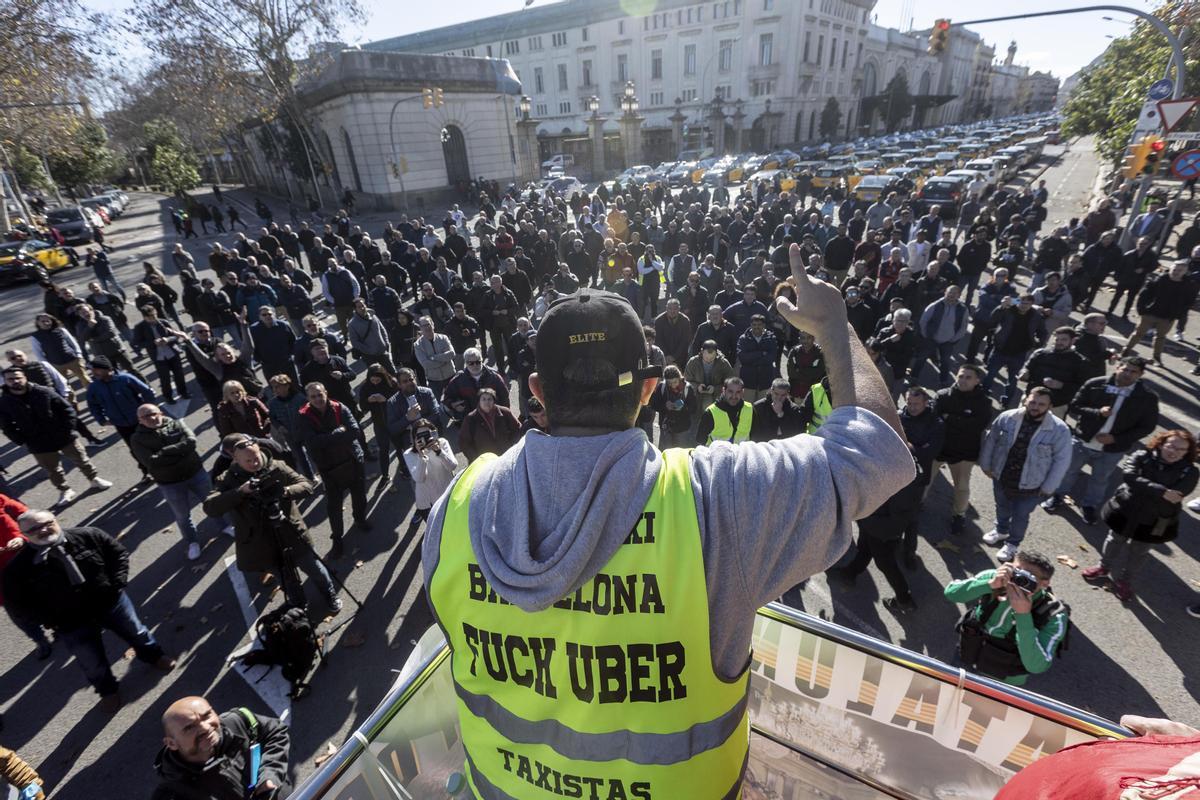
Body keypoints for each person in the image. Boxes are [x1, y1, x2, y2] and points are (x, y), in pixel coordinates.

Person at [421, 246, 910, 798]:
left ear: (536, 392)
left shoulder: (454, 510)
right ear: (649, 390)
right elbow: (875, 455)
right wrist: (834, 326)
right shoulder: (717, 497)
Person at [2, 509, 176, 712]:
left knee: (137, 632)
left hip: (111, 603)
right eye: (34, 529)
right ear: (24, 534)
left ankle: (154, 656)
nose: (43, 530)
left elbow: (117, 554)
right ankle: (108, 691)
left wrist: (116, 585)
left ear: (55, 520)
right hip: (71, 622)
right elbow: (18, 605)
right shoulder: (18, 569)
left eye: (47, 523)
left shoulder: (88, 535)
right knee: (91, 661)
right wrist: (50, 620)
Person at [203, 435, 340, 610]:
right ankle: (299, 605)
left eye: (256, 458)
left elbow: (306, 485)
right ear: (235, 460)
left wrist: (284, 491)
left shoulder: (277, 466)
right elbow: (210, 507)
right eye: (248, 461)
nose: (254, 463)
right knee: (286, 579)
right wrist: (240, 491)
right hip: (263, 542)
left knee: (314, 569)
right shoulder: (227, 479)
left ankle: (328, 593)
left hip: (291, 532)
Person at [1080, 430, 1199, 601]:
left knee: (1140, 551)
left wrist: (1144, 486)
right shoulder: (1142, 455)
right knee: (1115, 539)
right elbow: (1129, 476)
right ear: (1161, 443)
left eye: (1181, 449)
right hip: (1127, 510)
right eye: (1171, 446)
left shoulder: (1190, 471)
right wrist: (1162, 491)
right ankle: (1103, 566)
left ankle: (1125, 581)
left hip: (1156, 519)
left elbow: (1179, 493)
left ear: (1188, 452)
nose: (1174, 452)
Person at [1044, 356, 1160, 524]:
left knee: (1100, 479)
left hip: (1113, 449)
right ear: (1117, 367)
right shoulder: (1095, 384)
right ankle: (1057, 497)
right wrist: (1097, 412)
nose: (1127, 374)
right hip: (1082, 441)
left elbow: (1146, 427)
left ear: (1140, 374)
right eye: (1125, 369)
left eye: (1133, 372)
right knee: (1068, 471)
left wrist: (1116, 438)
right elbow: (1075, 407)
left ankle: (1089, 506)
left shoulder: (1147, 397)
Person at [978, 387, 1073, 562]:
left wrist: (1049, 486)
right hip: (1002, 476)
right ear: (1025, 400)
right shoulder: (1008, 417)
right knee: (1002, 506)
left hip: (1032, 484)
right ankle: (1001, 530)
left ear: (1050, 406)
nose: (1035, 406)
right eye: (1033, 402)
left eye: (1041, 404)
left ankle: (1012, 543)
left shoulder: (1060, 430)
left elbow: (1062, 460)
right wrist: (986, 464)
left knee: (1021, 515)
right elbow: (992, 440)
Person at [946, 551, 1069, 685]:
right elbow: (951, 594)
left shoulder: (1055, 615)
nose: (1017, 581)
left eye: (1028, 578)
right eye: (1016, 573)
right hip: (966, 655)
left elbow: (1036, 666)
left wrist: (1023, 616)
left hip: (1003, 679)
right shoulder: (995, 578)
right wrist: (989, 585)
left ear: (1044, 583)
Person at [131, 403, 232, 560]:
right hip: (170, 483)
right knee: (183, 515)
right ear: (140, 420)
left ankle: (224, 526)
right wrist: (180, 451)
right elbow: (151, 462)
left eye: (153, 413)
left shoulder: (176, 423)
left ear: (160, 412)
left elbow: (191, 442)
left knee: (211, 502)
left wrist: (164, 452)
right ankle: (192, 542)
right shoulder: (137, 439)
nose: (152, 418)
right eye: (146, 416)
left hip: (195, 473)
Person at [0, 366, 112, 506]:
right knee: (52, 470)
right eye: (10, 379)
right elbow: (6, 426)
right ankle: (65, 490)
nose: (15, 381)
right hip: (38, 443)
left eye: (18, 377)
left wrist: (67, 429)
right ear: (5, 382)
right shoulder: (4, 402)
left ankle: (94, 479)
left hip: (63, 436)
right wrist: (22, 440)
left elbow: (66, 410)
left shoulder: (43, 391)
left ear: (25, 378)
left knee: (81, 459)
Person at [153, 696, 291, 800]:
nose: (206, 728)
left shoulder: (239, 721)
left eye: (206, 715)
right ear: (171, 743)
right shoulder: (172, 793)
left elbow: (275, 731)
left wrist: (270, 775)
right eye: (189, 727)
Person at [296, 382, 369, 558]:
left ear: (326, 393)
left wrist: (326, 439)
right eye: (313, 396)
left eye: (320, 395)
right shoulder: (303, 416)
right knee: (334, 506)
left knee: (359, 495)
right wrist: (338, 434)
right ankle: (337, 538)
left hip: (352, 460)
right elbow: (311, 442)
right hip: (329, 468)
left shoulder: (339, 407)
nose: (318, 399)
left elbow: (354, 432)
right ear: (308, 399)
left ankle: (359, 519)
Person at [931, 364, 993, 535]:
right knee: (924, 481)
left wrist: (950, 418)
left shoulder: (984, 402)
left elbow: (977, 426)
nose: (963, 380)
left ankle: (959, 515)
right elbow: (934, 420)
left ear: (977, 381)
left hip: (964, 452)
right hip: (940, 448)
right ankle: (915, 505)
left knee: (962, 487)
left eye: (968, 377)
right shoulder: (942, 396)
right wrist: (962, 421)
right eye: (960, 376)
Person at [898, 385, 945, 568]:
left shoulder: (936, 424)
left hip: (917, 478)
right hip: (896, 475)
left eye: (916, 403)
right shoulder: (900, 417)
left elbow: (930, 452)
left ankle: (909, 552)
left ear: (926, 402)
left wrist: (907, 447)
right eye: (909, 402)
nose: (912, 407)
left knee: (911, 518)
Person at [1121, 260, 1192, 363]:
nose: (1176, 272)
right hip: (1150, 313)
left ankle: (1156, 357)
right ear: (1171, 268)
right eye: (1175, 269)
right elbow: (1144, 294)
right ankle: (1126, 350)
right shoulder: (1159, 279)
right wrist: (1142, 309)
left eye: (1180, 270)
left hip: (1168, 317)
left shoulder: (1187, 285)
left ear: (1185, 272)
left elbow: (1188, 302)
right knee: (1138, 333)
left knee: (1160, 337)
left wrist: (1178, 314)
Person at [1020, 327, 1089, 418]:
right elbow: (1026, 369)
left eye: (1064, 340)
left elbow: (1082, 388)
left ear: (1073, 341)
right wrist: (1024, 374)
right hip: (1031, 400)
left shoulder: (1080, 361)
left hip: (1057, 406)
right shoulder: (1040, 354)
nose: (1059, 342)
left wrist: (1062, 385)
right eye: (1057, 339)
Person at [132, 306, 191, 404]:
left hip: (172, 353)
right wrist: (152, 343)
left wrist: (167, 340)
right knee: (165, 378)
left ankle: (183, 392)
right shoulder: (140, 327)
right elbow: (136, 343)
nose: (154, 318)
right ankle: (168, 397)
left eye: (155, 314)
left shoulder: (163, 322)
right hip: (158, 357)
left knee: (179, 375)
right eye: (151, 316)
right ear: (145, 317)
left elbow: (176, 336)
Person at [914, 285, 969, 386]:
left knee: (945, 362)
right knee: (921, 358)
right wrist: (926, 335)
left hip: (948, 342)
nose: (951, 295)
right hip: (931, 339)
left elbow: (963, 327)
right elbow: (923, 321)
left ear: (959, 295)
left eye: (954, 293)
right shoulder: (935, 305)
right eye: (949, 292)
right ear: (945, 293)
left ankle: (943, 381)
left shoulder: (963, 309)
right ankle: (914, 377)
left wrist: (953, 339)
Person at [441, 347, 509, 422]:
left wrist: (504, 417)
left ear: (482, 360)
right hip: (470, 421)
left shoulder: (494, 377)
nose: (475, 365)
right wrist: (453, 405)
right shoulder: (458, 380)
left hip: (492, 419)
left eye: (478, 362)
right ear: (466, 363)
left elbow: (504, 398)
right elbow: (446, 398)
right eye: (471, 363)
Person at [649, 365, 699, 449]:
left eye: (675, 382)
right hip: (666, 428)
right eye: (669, 383)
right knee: (665, 453)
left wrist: (683, 408)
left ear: (680, 378)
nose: (672, 385)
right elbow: (654, 404)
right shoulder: (662, 387)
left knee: (681, 454)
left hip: (682, 428)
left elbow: (694, 408)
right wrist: (664, 406)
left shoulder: (687, 388)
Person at [749, 378, 805, 442]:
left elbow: (796, 432)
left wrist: (780, 414)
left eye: (783, 395)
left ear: (787, 394)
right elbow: (754, 432)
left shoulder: (793, 409)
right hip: (765, 445)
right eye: (776, 394)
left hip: (785, 444)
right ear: (771, 390)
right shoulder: (759, 407)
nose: (779, 398)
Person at [684, 339, 734, 411]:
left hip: (717, 396)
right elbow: (686, 381)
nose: (709, 360)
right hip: (696, 395)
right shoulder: (693, 362)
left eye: (712, 358)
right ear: (701, 352)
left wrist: (715, 389)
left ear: (716, 353)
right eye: (706, 357)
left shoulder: (723, 363)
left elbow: (730, 383)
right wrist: (697, 387)